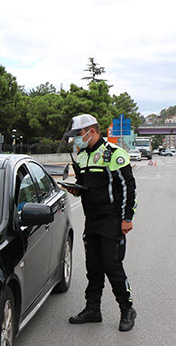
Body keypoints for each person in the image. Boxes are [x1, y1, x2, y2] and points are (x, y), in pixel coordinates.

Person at [61, 114, 138, 332]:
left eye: (78, 135)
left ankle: (127, 309)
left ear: (91, 132)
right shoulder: (83, 156)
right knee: (93, 267)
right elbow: (85, 184)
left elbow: (127, 188)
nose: (76, 139)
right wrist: (76, 189)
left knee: (112, 266)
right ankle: (93, 309)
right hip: (91, 219)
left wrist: (127, 218)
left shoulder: (114, 154)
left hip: (112, 219)